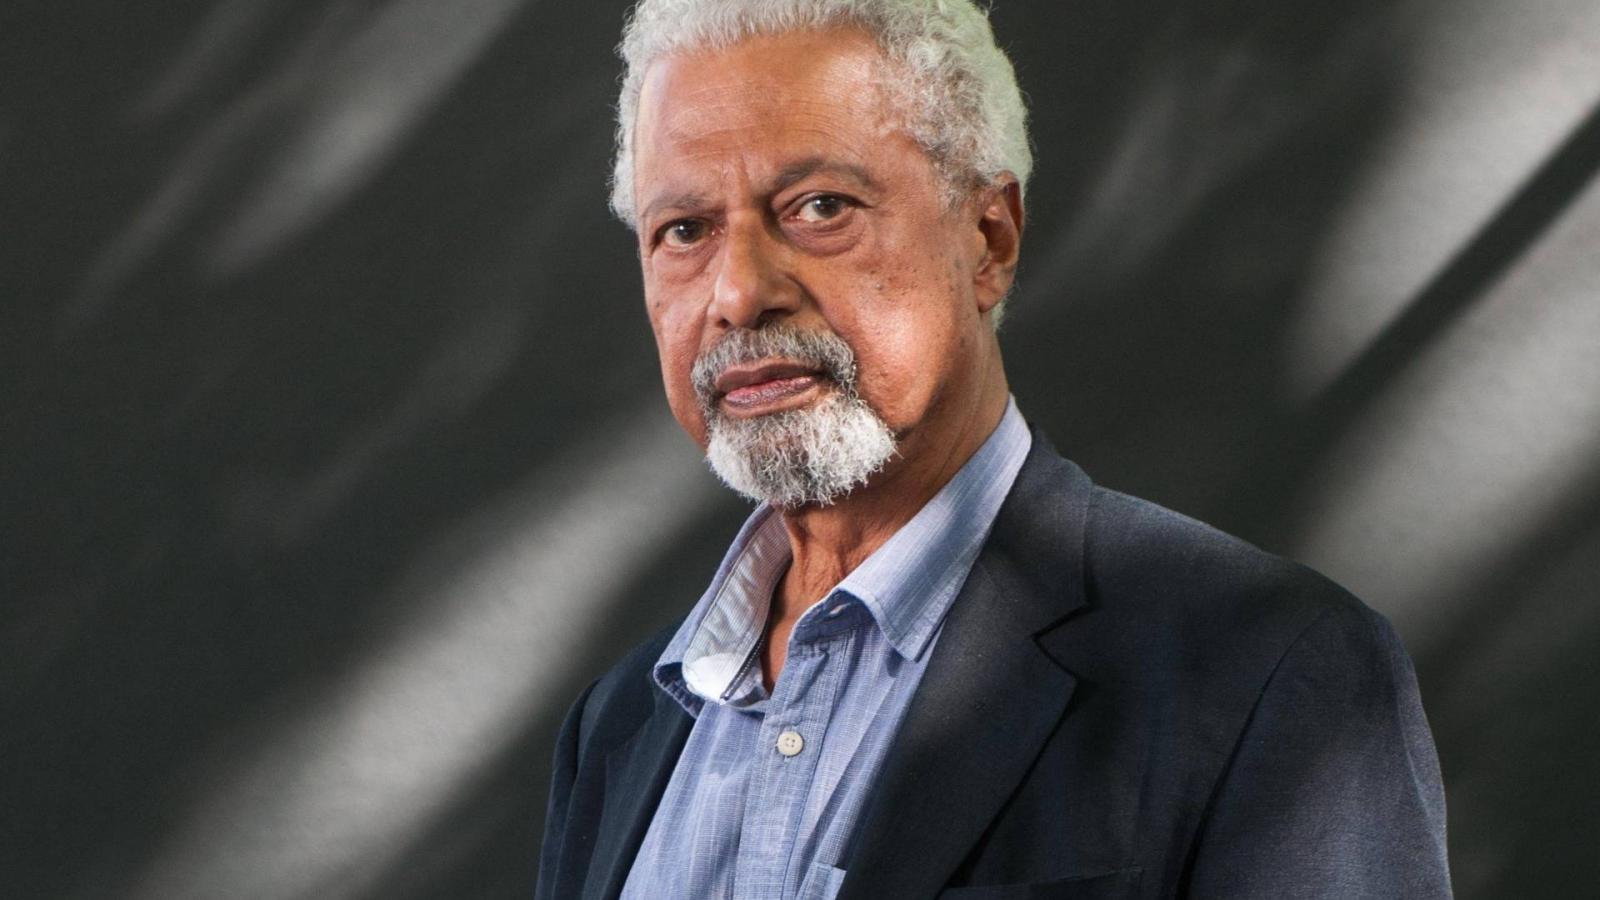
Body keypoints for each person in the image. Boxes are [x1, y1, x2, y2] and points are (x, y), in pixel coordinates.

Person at [537, 1, 1452, 897]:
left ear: (988, 238)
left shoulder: (1272, 672)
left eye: (819, 207)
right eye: (684, 232)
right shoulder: (616, 729)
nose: (738, 293)